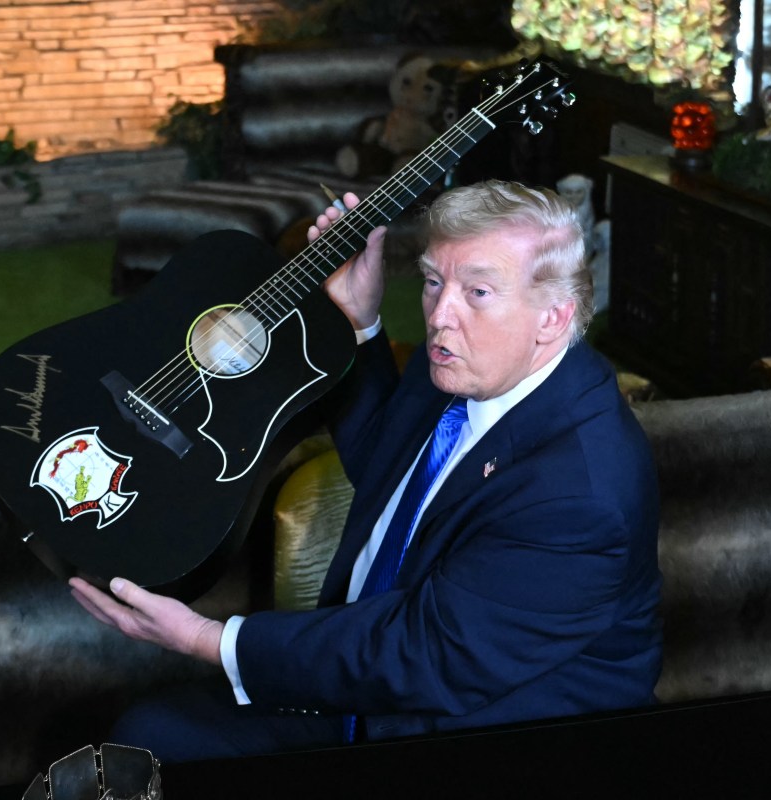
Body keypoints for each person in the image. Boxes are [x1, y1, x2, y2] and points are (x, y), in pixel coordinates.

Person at [70, 180, 662, 762]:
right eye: (433, 281)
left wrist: (207, 639)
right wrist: (358, 319)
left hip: (471, 727)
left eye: (478, 292)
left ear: (553, 318)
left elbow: (424, 657)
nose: (440, 315)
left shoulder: (579, 494)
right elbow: (388, 463)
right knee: (148, 736)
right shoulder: (471, 365)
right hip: (370, 683)